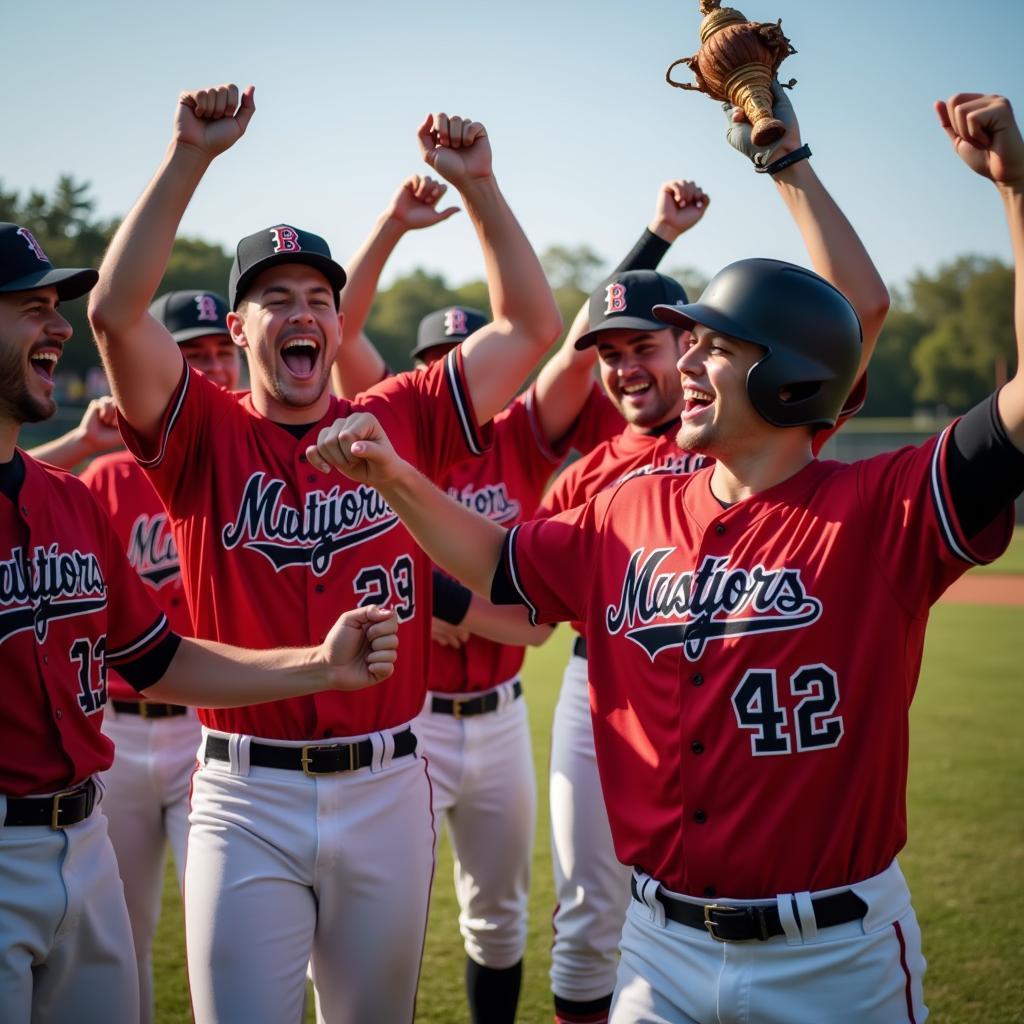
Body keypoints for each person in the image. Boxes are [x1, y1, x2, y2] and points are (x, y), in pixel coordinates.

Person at [306, 90, 1024, 1024]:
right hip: (658, 954)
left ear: (788, 373)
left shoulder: (879, 506)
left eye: (714, 347)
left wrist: (1014, 191)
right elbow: (501, 566)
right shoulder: (629, 504)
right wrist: (393, 476)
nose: (685, 363)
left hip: (835, 961)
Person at [87, 84, 562, 1023]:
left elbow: (532, 330)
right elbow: (113, 312)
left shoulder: (399, 418)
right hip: (240, 786)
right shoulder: (204, 435)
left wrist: (480, 186)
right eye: (274, 300)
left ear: (338, 328)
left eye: (318, 299)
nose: (300, 312)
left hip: (390, 777)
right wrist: (191, 156)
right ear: (237, 330)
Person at [539, 83, 889, 1024]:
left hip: (742, 673)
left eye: (649, 345)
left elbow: (856, 310)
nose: (627, 368)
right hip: (606, 675)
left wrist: (781, 159)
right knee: (589, 910)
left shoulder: (755, 426)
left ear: (693, 347)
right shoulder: (601, 465)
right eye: (607, 353)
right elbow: (519, 581)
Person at [328, 169, 709, 1023]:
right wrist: (391, 226)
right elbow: (338, 331)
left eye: (471, 356)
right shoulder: (402, 436)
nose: (464, 374)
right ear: (428, 374)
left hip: (500, 704)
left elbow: (581, 338)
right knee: (387, 919)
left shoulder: (528, 441)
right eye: (443, 363)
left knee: (502, 918)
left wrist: (453, 604)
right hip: (413, 709)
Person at [0, 221, 398, 1024]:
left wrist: (319, 668)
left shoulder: (67, 499)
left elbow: (158, 658)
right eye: (29, 307)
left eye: (55, 306)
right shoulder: (113, 476)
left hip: (84, 837)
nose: (57, 327)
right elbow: (117, 312)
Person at [32, 289, 241, 1024]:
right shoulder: (104, 479)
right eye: (193, 355)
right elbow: (14, 475)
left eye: (224, 350)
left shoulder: (245, 465)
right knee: (121, 933)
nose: (213, 368)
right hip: (111, 728)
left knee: (230, 929)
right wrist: (85, 443)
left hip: (206, 723)